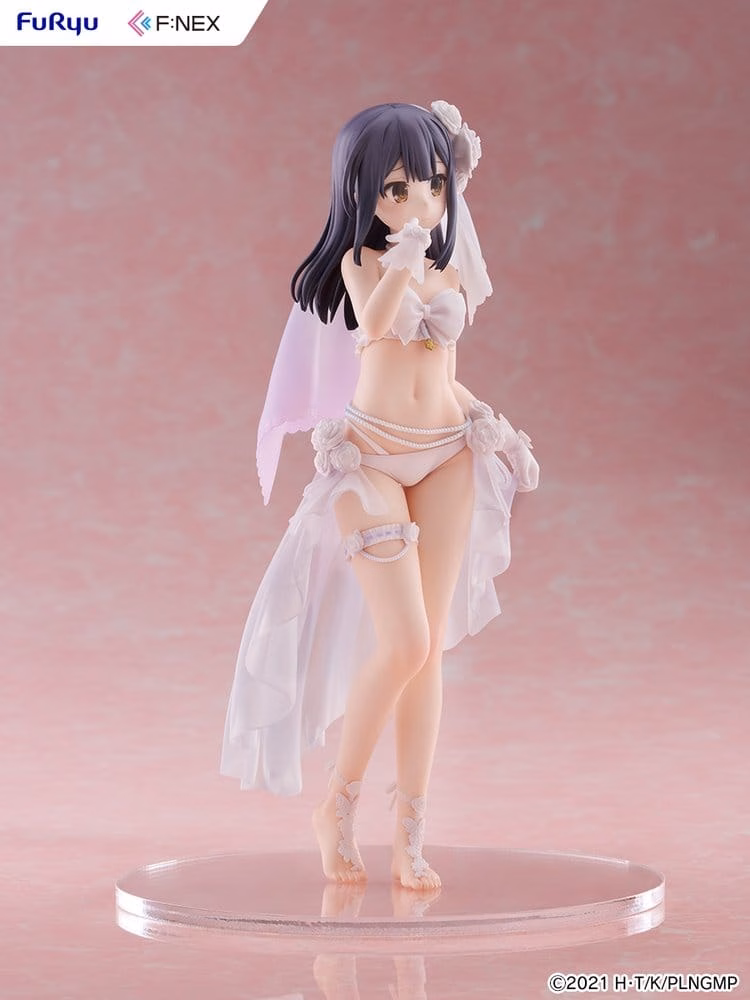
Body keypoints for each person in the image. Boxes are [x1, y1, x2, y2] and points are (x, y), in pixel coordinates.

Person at [220, 101, 539, 890]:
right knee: (401, 642)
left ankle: (410, 836)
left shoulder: (449, 266)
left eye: (433, 184)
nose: (419, 201)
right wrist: (404, 259)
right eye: (397, 189)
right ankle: (337, 805)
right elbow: (373, 328)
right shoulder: (366, 266)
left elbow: (443, 372)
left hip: (448, 451)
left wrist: (490, 424)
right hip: (369, 458)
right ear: (362, 191)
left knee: (427, 654)